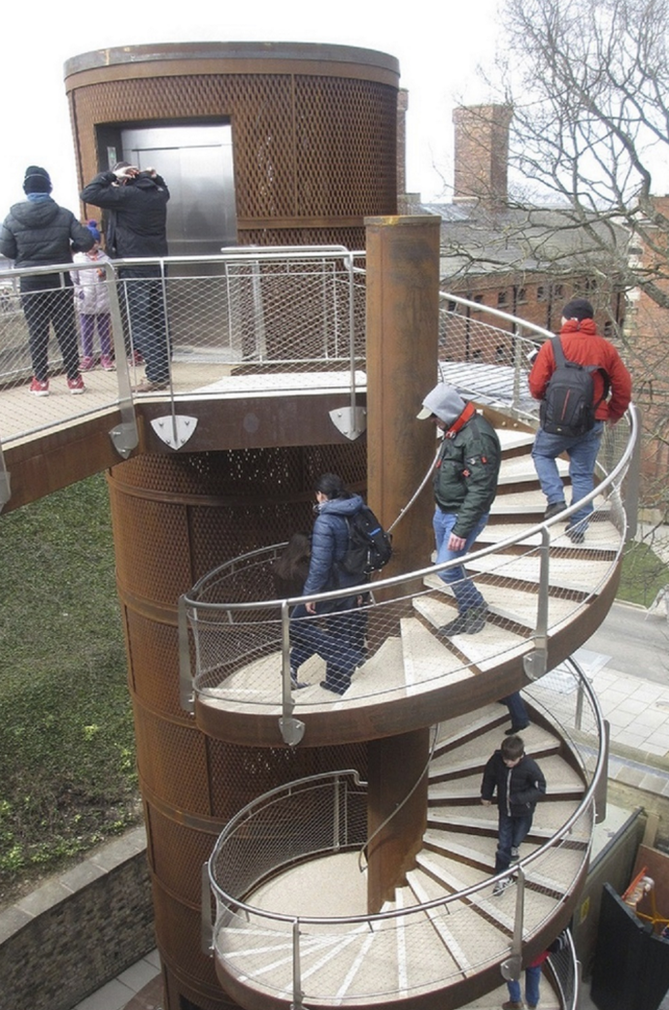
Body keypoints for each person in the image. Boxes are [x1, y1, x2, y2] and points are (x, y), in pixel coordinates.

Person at [528, 298, 632, 542]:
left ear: (568, 319)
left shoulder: (553, 345)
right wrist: (614, 413)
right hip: (592, 419)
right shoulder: (605, 348)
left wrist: (550, 401)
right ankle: (578, 528)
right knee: (583, 473)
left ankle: (555, 500)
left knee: (542, 454)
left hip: (557, 421)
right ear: (589, 320)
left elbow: (535, 386)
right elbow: (623, 387)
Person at [0, 166, 93, 395]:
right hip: (59, 279)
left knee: (37, 330)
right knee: (65, 329)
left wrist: (24, 257)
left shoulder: (12, 217)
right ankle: (74, 379)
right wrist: (70, 249)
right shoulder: (63, 214)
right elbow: (86, 241)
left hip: (31, 282)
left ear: (25, 188)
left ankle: (41, 381)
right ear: (49, 188)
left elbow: (5, 247)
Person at [417, 382, 501, 635]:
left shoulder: (477, 438)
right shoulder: (456, 429)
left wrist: (461, 529)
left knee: (445, 567)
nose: (433, 421)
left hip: (459, 516)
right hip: (444, 511)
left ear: (447, 411)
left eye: (435, 416)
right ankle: (468, 611)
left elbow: (480, 489)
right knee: (451, 566)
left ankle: (475, 605)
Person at [80, 162, 170, 393]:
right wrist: (155, 178)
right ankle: (161, 372)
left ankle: (158, 375)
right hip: (157, 266)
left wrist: (111, 175)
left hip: (134, 267)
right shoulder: (158, 195)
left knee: (140, 321)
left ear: (126, 178)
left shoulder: (128, 195)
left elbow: (88, 193)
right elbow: (165, 189)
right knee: (157, 319)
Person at [290, 473, 367, 694]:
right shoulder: (358, 510)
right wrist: (363, 585)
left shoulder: (326, 519)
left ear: (321, 495)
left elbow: (320, 562)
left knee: (296, 623)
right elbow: (363, 550)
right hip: (353, 584)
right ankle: (337, 683)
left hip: (332, 587)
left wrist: (310, 594)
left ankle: (347, 657)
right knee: (340, 629)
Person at [481, 734, 546, 896]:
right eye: (505, 760)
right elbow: (489, 777)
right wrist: (486, 795)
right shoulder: (497, 761)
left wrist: (518, 798)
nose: (507, 763)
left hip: (524, 810)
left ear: (521, 756)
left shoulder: (530, 767)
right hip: (505, 810)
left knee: (518, 835)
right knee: (504, 844)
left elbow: (540, 788)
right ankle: (502, 877)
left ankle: (515, 846)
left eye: (512, 761)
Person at [72, 220, 114, 371]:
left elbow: (113, 275)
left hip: (103, 298)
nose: (92, 246)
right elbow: (74, 279)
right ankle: (87, 356)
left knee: (104, 330)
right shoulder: (78, 259)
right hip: (86, 298)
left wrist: (106, 274)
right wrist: (79, 293)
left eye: (95, 242)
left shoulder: (106, 259)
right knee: (86, 331)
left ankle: (106, 356)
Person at [503, 933, 568, 1009]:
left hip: (527, 953)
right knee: (534, 974)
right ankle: (532, 1002)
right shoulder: (555, 931)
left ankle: (515, 1001)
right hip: (540, 954)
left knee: (511, 972)